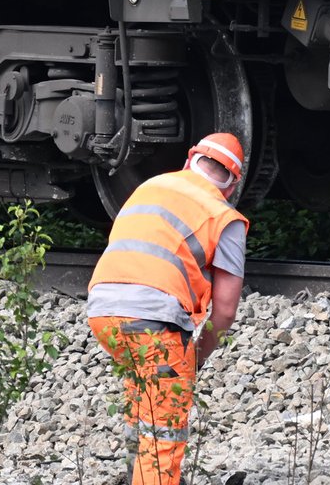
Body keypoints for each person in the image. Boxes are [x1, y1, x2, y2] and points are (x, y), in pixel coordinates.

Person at [87, 132, 249, 485]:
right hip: (152, 322)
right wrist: (196, 357)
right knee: (164, 430)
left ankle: (134, 477)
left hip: (102, 312)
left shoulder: (152, 186)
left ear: (191, 159)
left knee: (143, 408)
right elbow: (224, 311)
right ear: (233, 184)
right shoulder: (224, 216)